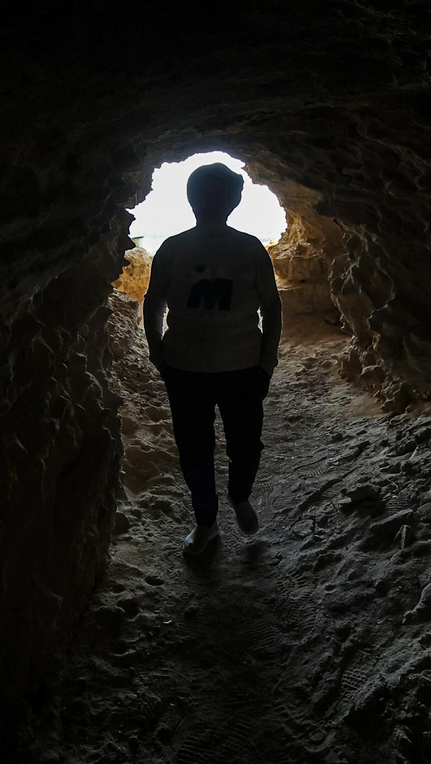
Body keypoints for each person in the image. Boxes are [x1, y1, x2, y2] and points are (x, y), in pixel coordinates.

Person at [141, 162, 283, 555]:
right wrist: (158, 351)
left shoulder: (249, 248)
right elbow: (153, 303)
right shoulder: (173, 248)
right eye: (210, 194)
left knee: (246, 445)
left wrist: (266, 362)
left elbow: (272, 307)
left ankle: (239, 497)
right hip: (188, 368)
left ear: (234, 200)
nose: (214, 201)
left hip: (240, 367)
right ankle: (206, 522)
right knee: (195, 449)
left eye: (220, 194)